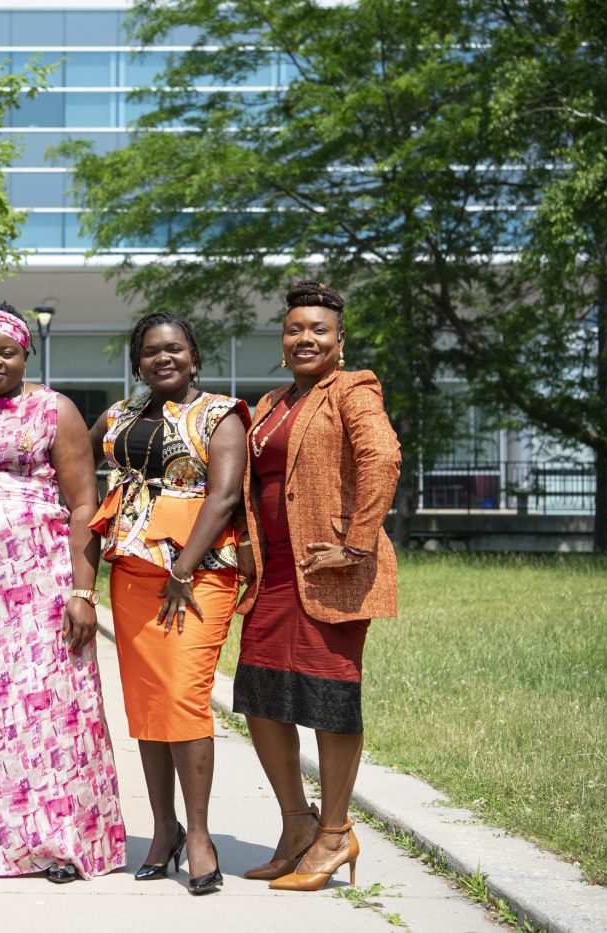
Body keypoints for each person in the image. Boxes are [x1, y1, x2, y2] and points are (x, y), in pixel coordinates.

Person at [0, 304, 127, 884]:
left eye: (5, 351)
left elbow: (85, 503)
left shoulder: (54, 410)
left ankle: (60, 842)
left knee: (51, 708)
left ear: (24, 354)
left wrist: (83, 592)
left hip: (41, 585)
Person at [233, 281, 400, 891]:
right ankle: (296, 825)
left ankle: (335, 833)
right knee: (258, 696)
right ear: (282, 339)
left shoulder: (353, 389)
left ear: (339, 340)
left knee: (330, 699)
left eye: (319, 330)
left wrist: (356, 543)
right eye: (295, 329)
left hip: (330, 571)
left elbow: (383, 459)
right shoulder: (272, 402)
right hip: (274, 573)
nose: (305, 338)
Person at [88, 313, 249, 896]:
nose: (164, 359)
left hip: (197, 574)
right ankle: (163, 831)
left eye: (175, 349)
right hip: (131, 573)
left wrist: (183, 566)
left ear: (194, 356)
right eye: (152, 352)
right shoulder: (118, 416)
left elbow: (225, 494)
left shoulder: (220, 414)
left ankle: (200, 835)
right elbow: (80, 477)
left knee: (183, 698)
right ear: (137, 362)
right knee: (149, 705)